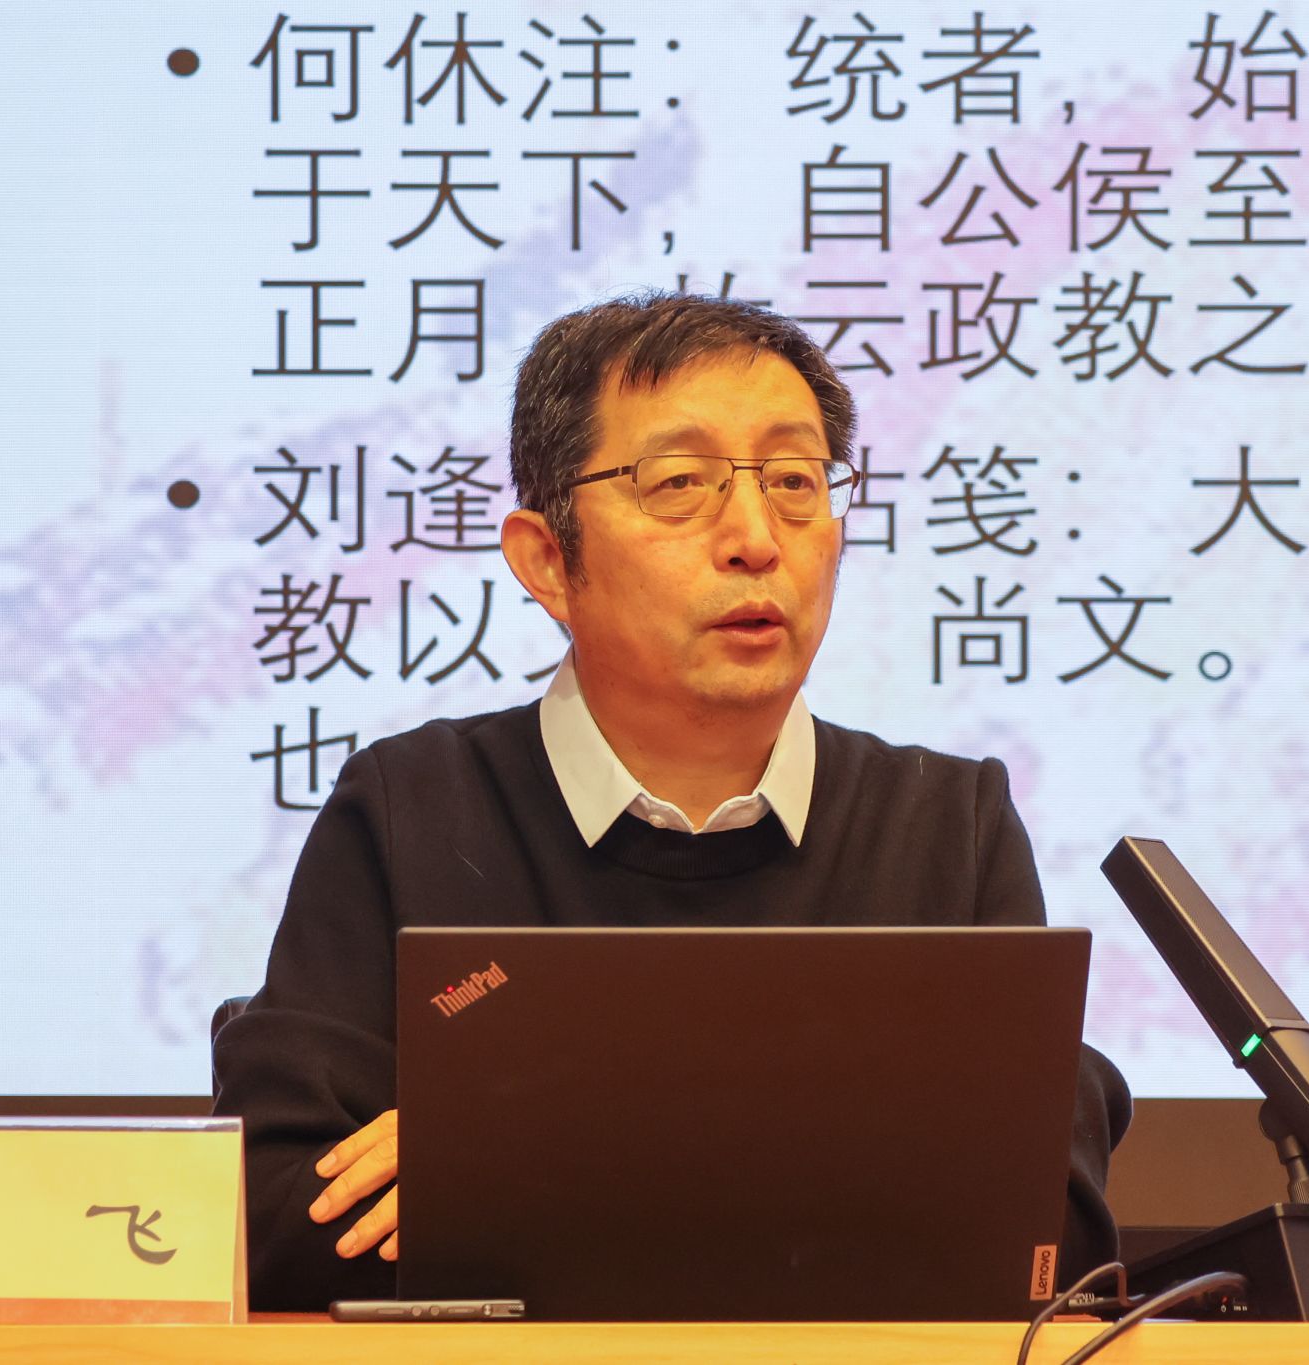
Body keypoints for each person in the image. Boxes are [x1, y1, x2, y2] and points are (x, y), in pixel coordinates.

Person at [211, 292, 1131, 1312]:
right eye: (680, 483)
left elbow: (1041, 1235)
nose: (754, 538)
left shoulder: (946, 823)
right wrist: (831, 1172)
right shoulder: (411, 809)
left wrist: (534, 1155)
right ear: (547, 561)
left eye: (794, 480)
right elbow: (283, 1218)